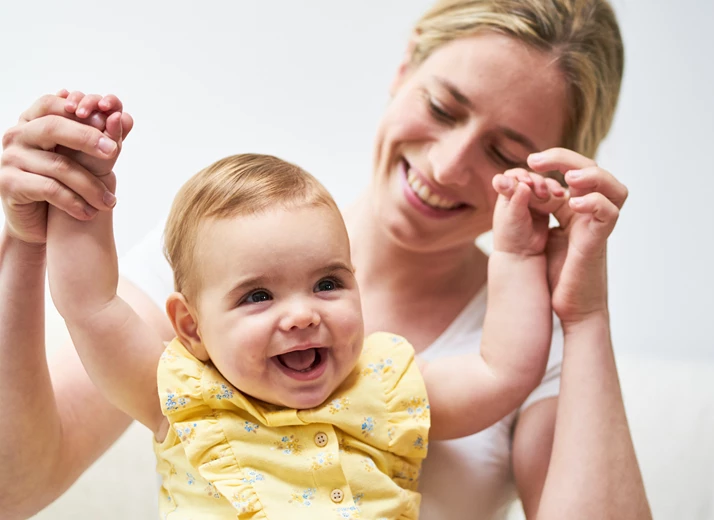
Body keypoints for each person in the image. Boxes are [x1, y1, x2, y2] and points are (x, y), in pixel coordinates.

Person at [0, 0, 651, 518]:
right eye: (442, 107)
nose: (448, 167)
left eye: (505, 156)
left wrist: (579, 308)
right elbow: (89, 307)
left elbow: (501, 369)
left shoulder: (397, 379)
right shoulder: (196, 339)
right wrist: (56, 211)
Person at [46, 147, 562, 518]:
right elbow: (90, 306)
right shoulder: (181, 394)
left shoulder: (386, 382)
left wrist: (516, 255)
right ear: (191, 326)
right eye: (258, 296)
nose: (300, 316)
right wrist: (79, 196)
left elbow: (501, 373)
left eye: (327, 283)